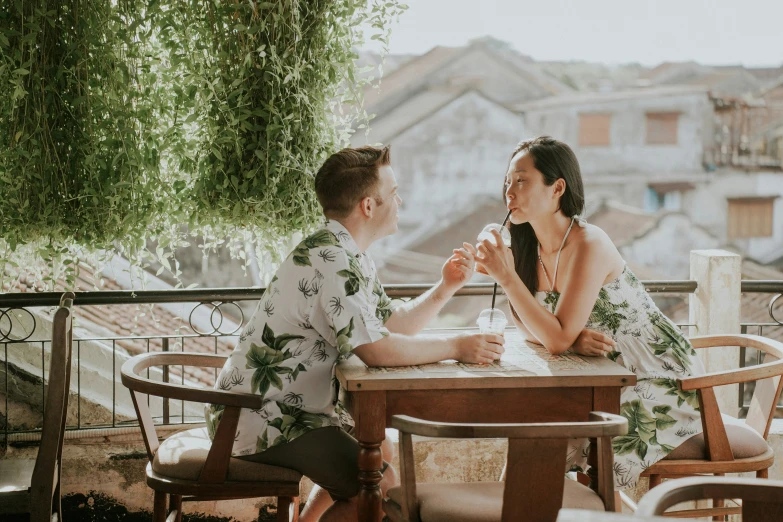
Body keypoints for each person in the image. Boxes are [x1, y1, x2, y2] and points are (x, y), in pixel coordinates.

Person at [205, 145, 505, 521]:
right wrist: (457, 346)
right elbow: (376, 350)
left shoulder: (348, 253)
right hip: (260, 418)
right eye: (393, 194)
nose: (400, 201)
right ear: (368, 205)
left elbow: (390, 325)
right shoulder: (332, 261)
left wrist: (445, 287)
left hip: (286, 411)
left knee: (382, 449)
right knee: (379, 487)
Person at [464, 136, 704, 490]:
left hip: (661, 381)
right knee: (534, 444)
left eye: (521, 180)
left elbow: (553, 337)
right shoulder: (529, 245)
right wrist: (570, 340)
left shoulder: (589, 242)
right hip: (603, 378)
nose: (509, 192)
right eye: (507, 182)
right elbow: (539, 329)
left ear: (557, 188)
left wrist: (508, 278)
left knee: (575, 444)